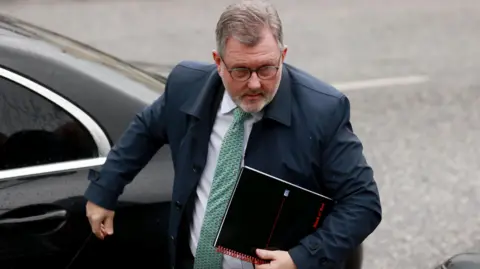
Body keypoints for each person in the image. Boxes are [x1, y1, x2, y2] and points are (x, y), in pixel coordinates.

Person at [83, 1, 382, 269]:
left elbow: (363, 203)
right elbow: (145, 130)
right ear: (218, 62)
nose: (254, 84)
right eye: (240, 71)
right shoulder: (186, 86)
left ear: (283, 54)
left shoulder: (323, 111)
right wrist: (104, 189)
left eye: (267, 68)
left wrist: (300, 259)